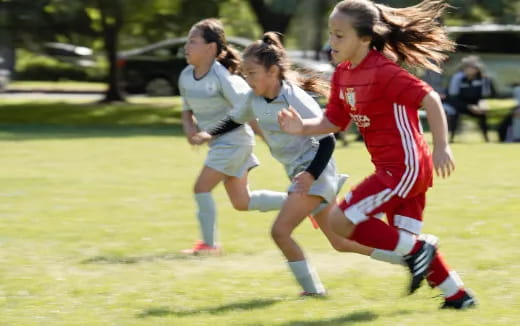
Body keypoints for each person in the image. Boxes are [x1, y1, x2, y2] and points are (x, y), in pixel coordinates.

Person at [278, 0, 476, 309]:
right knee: (402, 246)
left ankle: (421, 248)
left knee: (340, 222)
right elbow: (335, 121)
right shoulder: (343, 74)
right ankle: (458, 297)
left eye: (340, 35)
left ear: (366, 38)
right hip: (398, 169)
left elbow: (431, 99)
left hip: (404, 167)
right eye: (331, 34)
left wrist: (442, 146)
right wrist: (300, 126)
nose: (332, 42)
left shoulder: (383, 72)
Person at [192, 32, 374, 296]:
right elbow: (234, 119)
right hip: (302, 175)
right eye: (245, 73)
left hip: (316, 172)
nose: (247, 78)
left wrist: (310, 175)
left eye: (252, 72)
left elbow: (328, 141)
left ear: (273, 71)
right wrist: (209, 133)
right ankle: (407, 254)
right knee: (340, 242)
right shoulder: (254, 99)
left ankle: (313, 291)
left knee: (280, 232)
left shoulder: (294, 98)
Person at [179, 19, 290, 255]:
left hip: (234, 143)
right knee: (243, 202)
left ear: (210, 48)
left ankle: (209, 245)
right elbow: (186, 109)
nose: (187, 46)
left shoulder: (223, 78)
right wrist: (190, 130)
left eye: (193, 41)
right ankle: (304, 203)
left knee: (201, 188)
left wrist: (271, 141)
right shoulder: (186, 76)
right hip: (222, 145)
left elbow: (249, 112)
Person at [446, 55, 496, 142]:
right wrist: (468, 107)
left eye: (474, 67)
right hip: (460, 105)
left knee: (483, 115)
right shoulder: (458, 79)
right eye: (468, 67)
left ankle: (486, 139)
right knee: (454, 114)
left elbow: (488, 96)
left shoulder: (484, 79)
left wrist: (482, 104)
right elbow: (453, 98)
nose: (471, 69)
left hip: (477, 106)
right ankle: (451, 138)